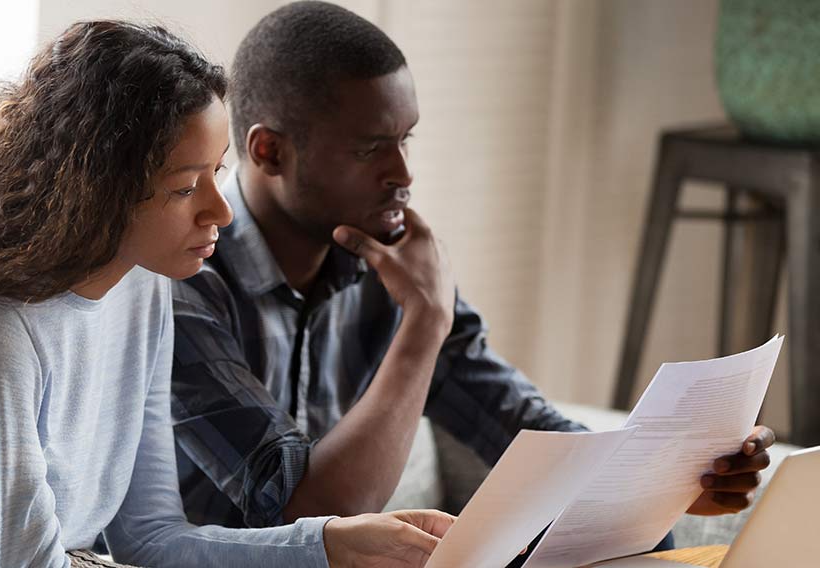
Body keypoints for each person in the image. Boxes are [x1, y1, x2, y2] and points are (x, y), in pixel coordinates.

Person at [0, 20, 456, 568]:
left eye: (216, 172)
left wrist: (332, 544)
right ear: (97, 191)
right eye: (184, 187)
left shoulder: (144, 291)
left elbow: (151, 539)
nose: (221, 211)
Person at [170, 0, 775, 545]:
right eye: (369, 149)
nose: (402, 174)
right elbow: (313, 519)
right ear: (270, 151)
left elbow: (519, 425)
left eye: (405, 140)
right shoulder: (184, 283)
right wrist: (424, 322)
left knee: (638, 543)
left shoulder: (387, 260)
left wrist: (672, 478)